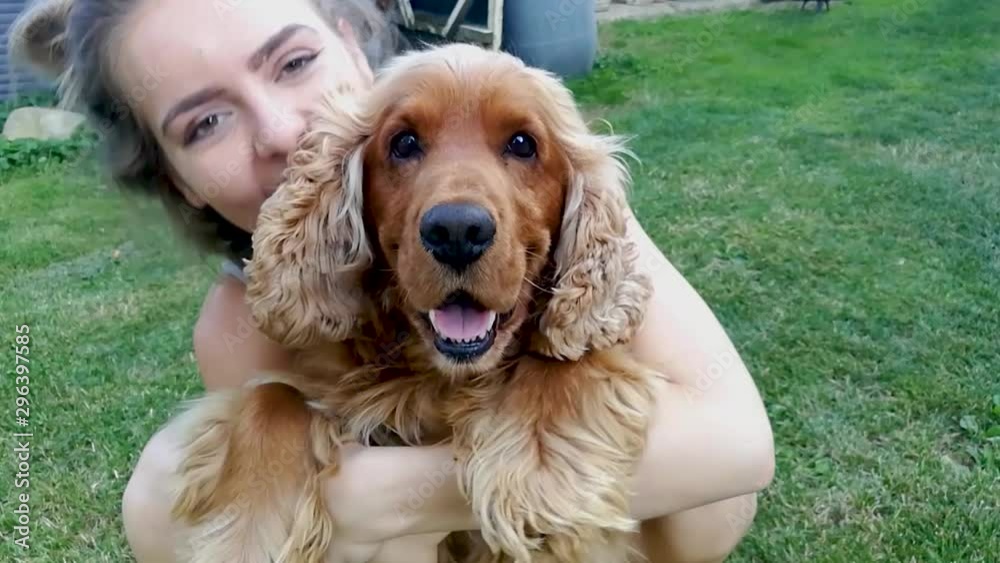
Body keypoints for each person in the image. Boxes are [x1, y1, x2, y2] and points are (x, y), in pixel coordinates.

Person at [10, 0, 775, 561]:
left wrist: (403, 483)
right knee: (164, 488)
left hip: (668, 533)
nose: (281, 133)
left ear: (351, 37)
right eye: (204, 123)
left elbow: (735, 463)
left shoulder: (583, 220)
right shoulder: (238, 327)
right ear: (174, 177)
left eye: (293, 62)